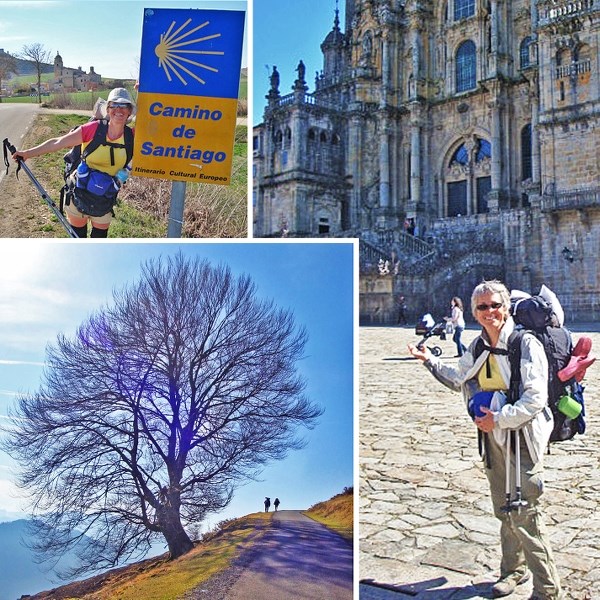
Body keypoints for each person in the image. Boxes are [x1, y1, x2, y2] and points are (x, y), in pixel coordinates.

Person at [408, 280, 561, 600]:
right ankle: (512, 571)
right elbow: (458, 378)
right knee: (505, 509)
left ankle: (548, 590)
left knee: (526, 514)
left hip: (522, 440)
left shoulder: (525, 344)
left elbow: (535, 399)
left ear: (506, 308)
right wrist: (428, 361)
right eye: (482, 307)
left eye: (495, 305)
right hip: (493, 439)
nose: (490, 311)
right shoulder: (478, 347)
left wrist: (499, 418)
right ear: (474, 312)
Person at [12, 87, 135, 238]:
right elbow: (58, 142)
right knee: (78, 238)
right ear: (108, 109)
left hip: (105, 198)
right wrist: (27, 154)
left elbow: (155, 122)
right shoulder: (93, 129)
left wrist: (144, 90)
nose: (118, 110)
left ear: (130, 111)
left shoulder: (132, 137)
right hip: (79, 193)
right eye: (114, 105)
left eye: (124, 106)